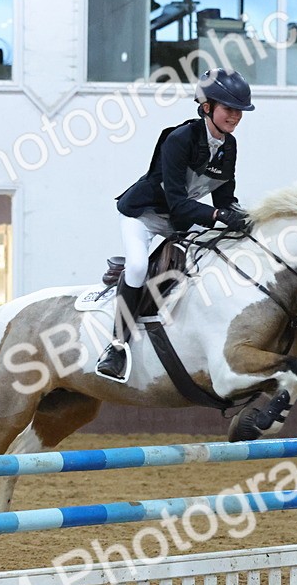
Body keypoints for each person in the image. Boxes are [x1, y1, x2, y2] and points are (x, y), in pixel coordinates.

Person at [97, 67, 254, 383]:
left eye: (239, 111)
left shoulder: (229, 146)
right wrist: (217, 217)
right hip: (145, 215)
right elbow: (179, 201)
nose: (235, 116)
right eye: (228, 108)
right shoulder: (179, 139)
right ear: (207, 106)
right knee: (140, 267)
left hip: (181, 222)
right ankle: (116, 346)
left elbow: (224, 199)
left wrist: (246, 218)